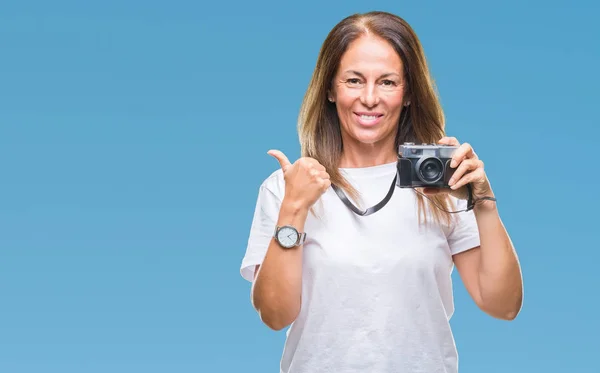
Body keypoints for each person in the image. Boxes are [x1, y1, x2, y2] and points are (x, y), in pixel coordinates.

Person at [239, 10, 523, 373]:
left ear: (408, 93)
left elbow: (503, 305)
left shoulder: (440, 185)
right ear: (330, 89)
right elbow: (275, 315)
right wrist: (293, 209)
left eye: (387, 82)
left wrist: (482, 201)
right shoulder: (286, 187)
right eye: (354, 80)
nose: (370, 98)